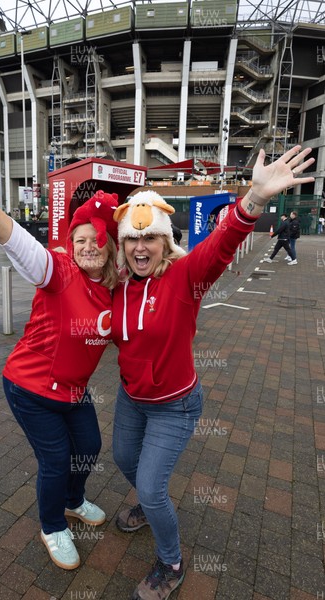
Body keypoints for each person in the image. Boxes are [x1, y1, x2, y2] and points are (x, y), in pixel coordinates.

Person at [111, 145, 314, 600]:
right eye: (132, 239)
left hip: (174, 406)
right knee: (123, 461)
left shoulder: (184, 277)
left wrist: (254, 200)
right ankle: (148, 505)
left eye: (149, 239)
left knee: (151, 484)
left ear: (164, 241)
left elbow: (221, 246)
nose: (140, 248)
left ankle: (171, 561)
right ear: (123, 244)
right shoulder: (117, 286)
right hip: (130, 398)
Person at [0, 137, 120, 571]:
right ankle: (51, 524)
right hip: (30, 387)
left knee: (91, 445)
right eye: (79, 239)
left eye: (96, 238)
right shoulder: (58, 272)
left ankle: (74, 501)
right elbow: (15, 238)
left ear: (110, 245)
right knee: (56, 458)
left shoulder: (115, 290)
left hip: (73, 391)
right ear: (70, 244)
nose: (87, 246)